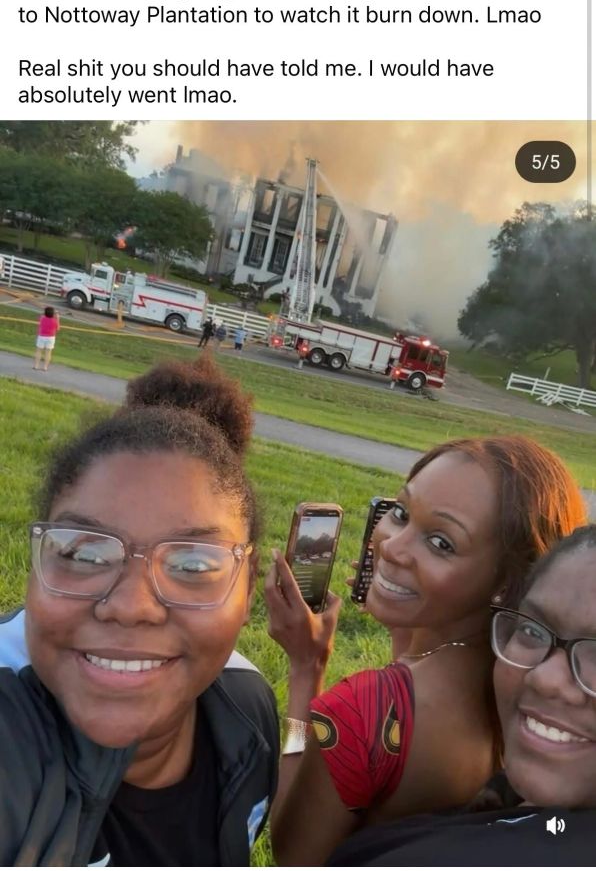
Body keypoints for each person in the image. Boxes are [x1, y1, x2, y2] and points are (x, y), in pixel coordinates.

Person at [0, 355, 279, 866]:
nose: (131, 607)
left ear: (248, 585)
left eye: (193, 564)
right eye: (85, 554)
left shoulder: (248, 713)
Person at [265, 435, 586, 866]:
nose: (392, 546)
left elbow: (292, 855)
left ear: (505, 582)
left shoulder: (364, 711)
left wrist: (307, 667)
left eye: (441, 543)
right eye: (400, 513)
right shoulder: (522, 689)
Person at [328, 525, 596, 866]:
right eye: (531, 629)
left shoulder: (353, 713)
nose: (546, 679)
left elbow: (293, 852)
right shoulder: (518, 799)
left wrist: (305, 676)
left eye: (442, 543)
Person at [33, 305, 60, 371]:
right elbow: (58, 328)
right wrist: (58, 318)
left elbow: (41, 314)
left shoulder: (42, 318)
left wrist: (48, 312)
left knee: (39, 351)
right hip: (51, 337)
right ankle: (45, 367)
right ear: (52, 314)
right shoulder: (54, 321)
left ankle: (36, 366)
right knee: (48, 352)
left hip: (41, 336)